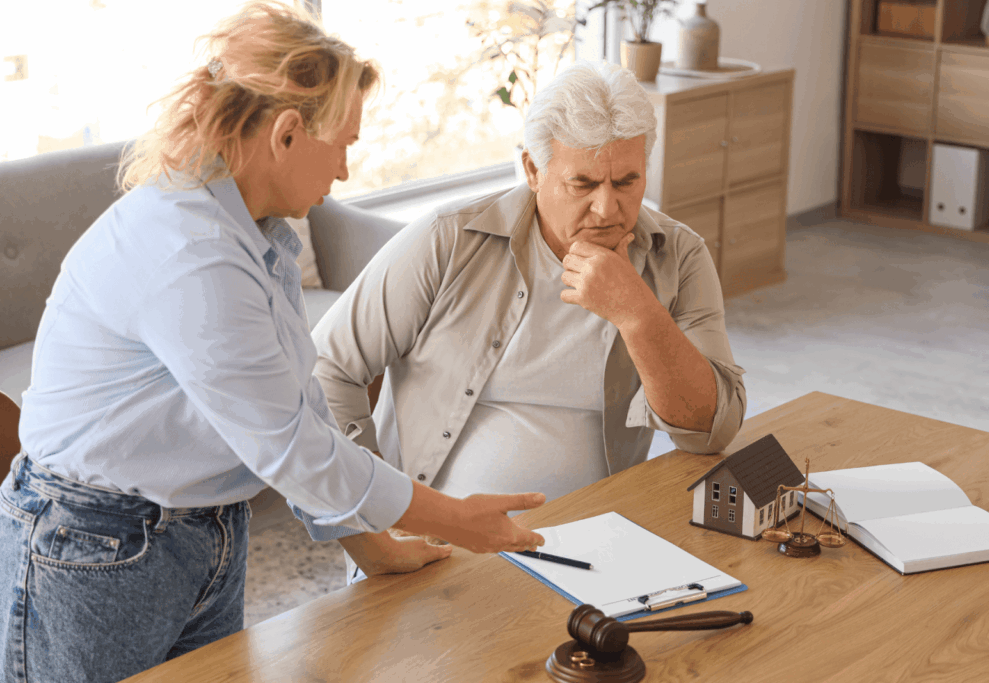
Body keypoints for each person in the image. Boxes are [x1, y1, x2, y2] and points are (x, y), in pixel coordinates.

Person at [0, 4, 544, 682]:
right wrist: (457, 518)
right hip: (93, 543)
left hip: (203, 528)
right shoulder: (192, 251)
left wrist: (372, 547)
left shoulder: (256, 237)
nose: (344, 172)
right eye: (343, 144)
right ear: (287, 134)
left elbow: (297, 409)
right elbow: (293, 450)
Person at [310, 61, 747, 573]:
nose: (607, 208)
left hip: (597, 543)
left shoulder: (679, 256)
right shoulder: (447, 239)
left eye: (627, 181)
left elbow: (711, 431)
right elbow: (325, 367)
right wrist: (381, 514)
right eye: (583, 183)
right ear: (533, 171)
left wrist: (638, 315)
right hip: (439, 545)